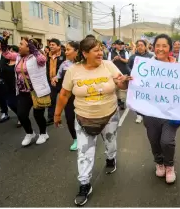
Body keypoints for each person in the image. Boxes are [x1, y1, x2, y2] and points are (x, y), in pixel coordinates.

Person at [54, 36, 131, 206]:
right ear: (85, 53)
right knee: (84, 152)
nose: (100, 53)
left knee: (110, 143)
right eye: (96, 50)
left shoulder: (109, 65)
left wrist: (123, 82)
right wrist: (57, 114)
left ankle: (111, 158)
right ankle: (84, 184)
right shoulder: (73, 71)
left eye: (100, 49)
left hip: (109, 115)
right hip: (83, 118)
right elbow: (64, 94)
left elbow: (121, 85)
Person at [142, 34, 180, 184]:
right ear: (153, 47)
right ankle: (159, 162)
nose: (160, 49)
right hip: (151, 113)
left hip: (171, 113)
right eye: (158, 45)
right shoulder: (144, 66)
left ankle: (169, 166)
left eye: (164, 46)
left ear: (170, 49)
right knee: (154, 140)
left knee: (167, 141)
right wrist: (130, 80)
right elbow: (138, 86)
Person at [2, 32, 51, 146]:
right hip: (23, 92)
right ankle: (30, 133)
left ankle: (43, 133)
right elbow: (6, 53)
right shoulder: (18, 57)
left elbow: (43, 61)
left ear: (29, 47)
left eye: (21, 44)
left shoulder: (38, 57)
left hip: (37, 92)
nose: (19, 46)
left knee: (38, 115)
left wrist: (32, 46)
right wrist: (5, 39)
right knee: (21, 114)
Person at [51, 41, 80, 151]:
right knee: (70, 118)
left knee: (83, 118)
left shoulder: (84, 64)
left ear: (76, 51)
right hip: (68, 97)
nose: (66, 52)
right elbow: (58, 76)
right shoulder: (64, 64)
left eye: (68, 50)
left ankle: (87, 137)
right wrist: (55, 79)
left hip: (82, 97)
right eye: (65, 49)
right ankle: (76, 139)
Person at [128, 39, 154, 123]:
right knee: (138, 98)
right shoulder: (132, 57)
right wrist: (131, 74)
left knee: (147, 98)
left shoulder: (151, 56)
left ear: (145, 46)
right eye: (138, 45)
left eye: (141, 45)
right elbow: (128, 67)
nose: (140, 47)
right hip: (136, 82)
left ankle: (147, 113)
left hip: (148, 82)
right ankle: (139, 115)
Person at [46, 38, 66, 125]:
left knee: (66, 100)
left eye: (53, 45)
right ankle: (51, 117)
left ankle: (71, 115)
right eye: (50, 45)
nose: (51, 46)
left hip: (63, 82)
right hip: (51, 82)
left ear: (59, 46)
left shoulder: (64, 55)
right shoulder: (47, 55)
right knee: (51, 100)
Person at [0, 44, 20, 127]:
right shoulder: (5, 61)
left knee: (18, 103)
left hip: (17, 86)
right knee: (10, 103)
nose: (10, 53)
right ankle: (20, 115)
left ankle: (21, 117)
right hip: (6, 85)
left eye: (12, 51)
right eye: (9, 51)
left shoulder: (19, 61)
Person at [108, 40, 130, 110]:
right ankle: (118, 101)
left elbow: (127, 61)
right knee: (115, 88)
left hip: (123, 72)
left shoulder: (125, 52)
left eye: (122, 44)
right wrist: (114, 59)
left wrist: (120, 58)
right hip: (114, 74)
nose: (121, 46)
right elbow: (108, 63)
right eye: (119, 44)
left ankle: (121, 102)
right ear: (115, 45)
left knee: (122, 89)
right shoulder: (111, 52)